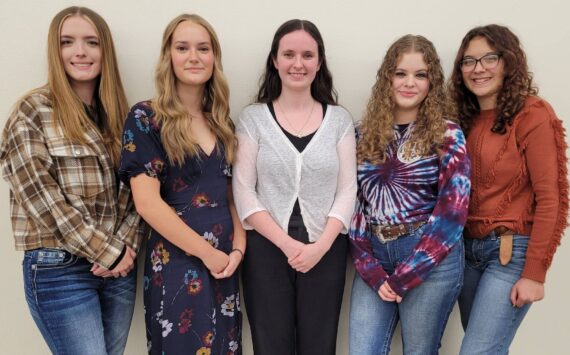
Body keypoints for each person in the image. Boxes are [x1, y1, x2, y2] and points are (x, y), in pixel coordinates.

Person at [0, 6, 142, 355]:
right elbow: (41, 199)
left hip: (118, 270)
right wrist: (108, 251)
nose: (80, 51)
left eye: (91, 42)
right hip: (59, 268)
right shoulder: (32, 110)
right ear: (55, 49)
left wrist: (125, 248)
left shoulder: (121, 117)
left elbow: (139, 192)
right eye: (68, 42)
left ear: (104, 50)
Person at [119, 14, 244, 354]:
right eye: (183, 47)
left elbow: (230, 197)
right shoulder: (146, 117)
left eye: (203, 48)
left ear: (214, 57)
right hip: (176, 264)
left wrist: (237, 250)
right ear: (168, 56)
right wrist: (207, 254)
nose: (194, 56)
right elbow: (147, 204)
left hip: (224, 263)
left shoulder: (221, 122)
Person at [232, 19, 356, 355]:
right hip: (266, 248)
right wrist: (287, 244)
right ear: (275, 60)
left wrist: (320, 246)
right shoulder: (253, 118)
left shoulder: (339, 120)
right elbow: (243, 190)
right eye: (288, 54)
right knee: (271, 344)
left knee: (320, 344)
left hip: (326, 250)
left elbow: (347, 191)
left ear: (319, 62)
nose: (297, 63)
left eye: (307, 55)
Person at [449, 24, 568, 354]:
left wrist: (535, 273)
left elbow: (552, 198)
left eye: (490, 57)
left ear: (508, 61)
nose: (478, 68)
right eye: (468, 61)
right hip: (465, 254)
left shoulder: (532, 114)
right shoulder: (462, 119)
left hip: (509, 254)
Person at [348, 34, 471, 355]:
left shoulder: (448, 133)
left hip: (430, 260)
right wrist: (371, 270)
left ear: (432, 81)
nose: (409, 83)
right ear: (387, 77)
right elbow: (356, 205)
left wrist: (407, 275)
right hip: (374, 256)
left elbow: (452, 213)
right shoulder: (363, 133)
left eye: (420, 75)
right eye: (400, 73)